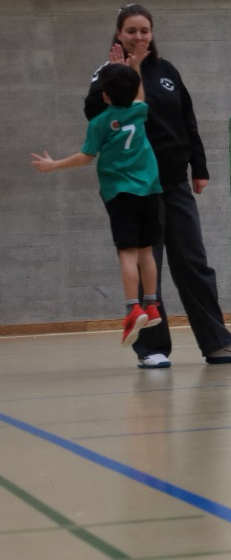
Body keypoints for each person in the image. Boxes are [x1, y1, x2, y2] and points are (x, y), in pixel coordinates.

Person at [84, 4, 231, 368]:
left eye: (144, 30)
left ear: (152, 33)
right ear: (119, 34)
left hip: (175, 183)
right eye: (131, 30)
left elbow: (186, 118)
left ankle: (218, 344)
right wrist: (115, 76)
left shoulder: (167, 71)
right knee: (147, 266)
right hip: (135, 189)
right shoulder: (106, 74)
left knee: (194, 263)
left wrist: (199, 166)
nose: (138, 36)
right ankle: (151, 349)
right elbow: (94, 115)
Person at [35, 63, 164, 348]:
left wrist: (53, 165)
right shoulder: (139, 111)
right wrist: (135, 65)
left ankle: (133, 309)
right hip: (150, 191)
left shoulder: (100, 122)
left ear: (104, 95)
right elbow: (140, 95)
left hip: (120, 193)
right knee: (147, 251)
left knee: (127, 252)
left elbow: (85, 157)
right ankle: (152, 304)